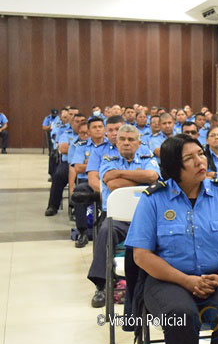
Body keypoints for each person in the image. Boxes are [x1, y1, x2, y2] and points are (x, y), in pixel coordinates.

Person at [125, 134, 218, 344]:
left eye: (201, 154)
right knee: (181, 315)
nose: (200, 161)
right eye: (189, 158)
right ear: (175, 167)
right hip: (168, 280)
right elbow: (141, 256)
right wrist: (186, 281)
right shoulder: (154, 200)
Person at [88, 124, 160, 308]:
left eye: (131, 140)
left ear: (138, 143)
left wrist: (119, 174)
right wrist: (140, 179)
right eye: (122, 139)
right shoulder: (108, 158)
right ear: (117, 142)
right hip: (117, 218)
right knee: (106, 230)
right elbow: (112, 184)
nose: (126, 143)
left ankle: (159, 283)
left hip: (145, 218)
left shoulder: (147, 157)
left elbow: (152, 176)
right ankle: (101, 285)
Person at [70, 117, 105, 248]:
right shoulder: (82, 146)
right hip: (87, 181)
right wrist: (99, 166)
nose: (98, 129)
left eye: (100, 127)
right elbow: (78, 168)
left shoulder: (111, 146)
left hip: (107, 180)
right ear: (89, 131)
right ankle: (82, 232)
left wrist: (90, 164)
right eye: (94, 127)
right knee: (79, 193)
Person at [45, 113, 86, 216]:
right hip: (68, 163)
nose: (79, 124)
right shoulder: (66, 134)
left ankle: (79, 207)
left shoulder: (90, 135)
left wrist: (72, 148)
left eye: (82, 121)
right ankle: (53, 206)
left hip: (86, 166)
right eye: (77, 121)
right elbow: (63, 149)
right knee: (58, 176)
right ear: (72, 123)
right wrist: (80, 153)